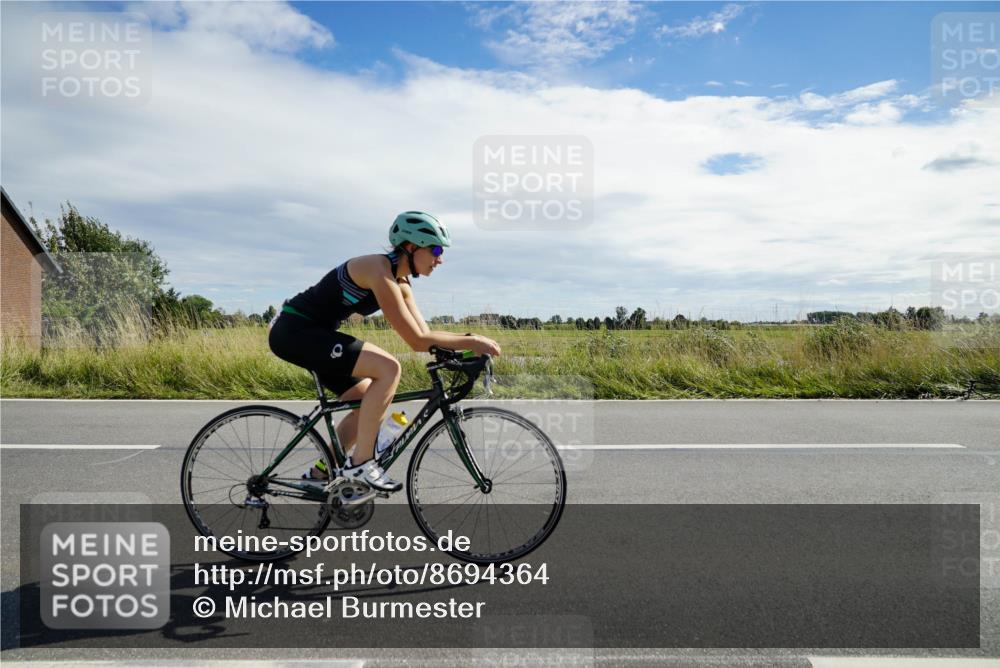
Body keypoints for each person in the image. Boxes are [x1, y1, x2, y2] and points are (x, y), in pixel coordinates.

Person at [268, 211, 502, 493]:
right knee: (388, 368)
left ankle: (323, 472)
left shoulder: (402, 284)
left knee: (365, 400)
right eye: (436, 250)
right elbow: (416, 341)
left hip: (317, 334)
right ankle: (362, 464)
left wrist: (466, 343)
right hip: (294, 330)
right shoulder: (377, 270)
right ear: (411, 247)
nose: (440, 259)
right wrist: (473, 341)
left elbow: (426, 335)